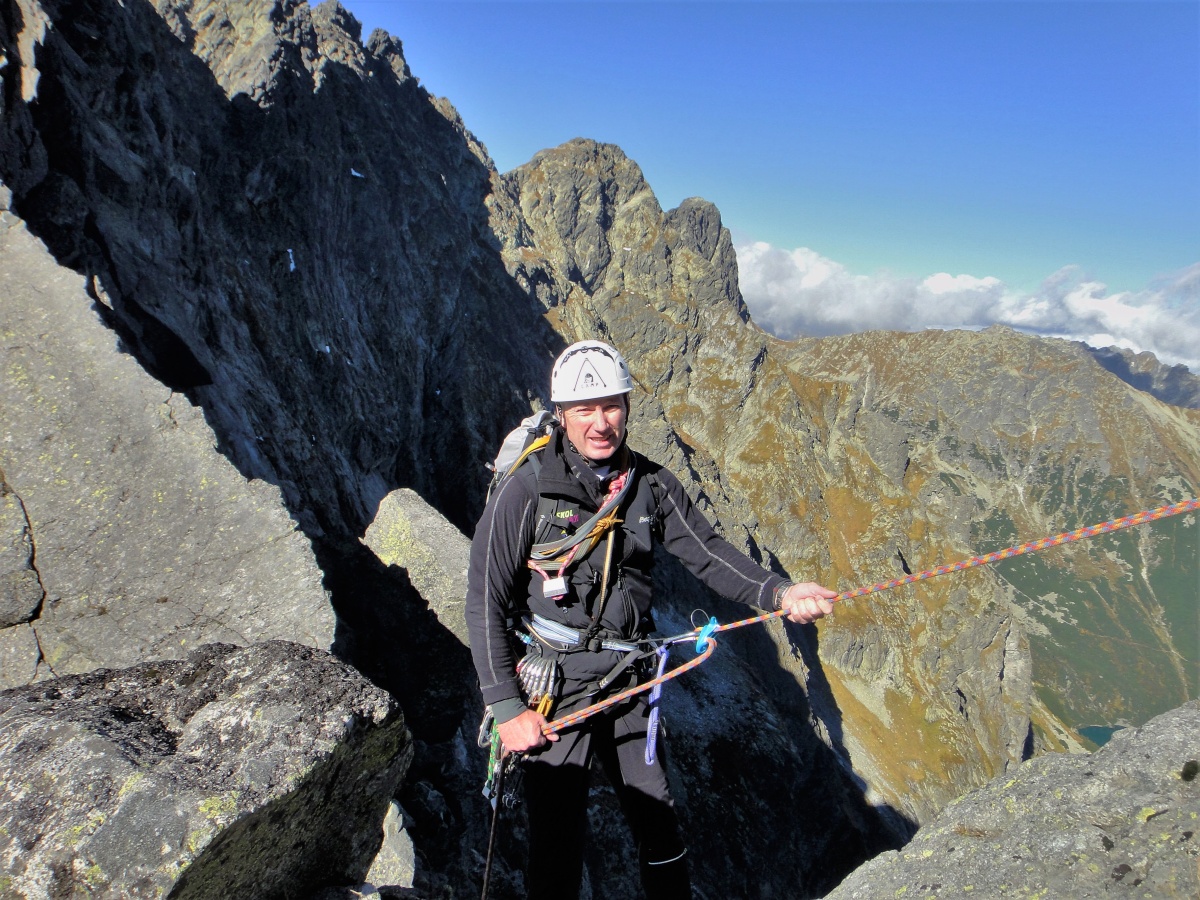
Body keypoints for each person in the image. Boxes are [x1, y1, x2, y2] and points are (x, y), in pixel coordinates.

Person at [465, 339, 836, 899]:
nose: (600, 423)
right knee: (557, 844)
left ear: (627, 408)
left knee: (660, 829)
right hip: (554, 691)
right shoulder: (527, 490)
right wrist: (508, 710)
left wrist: (780, 592)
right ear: (562, 414)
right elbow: (484, 600)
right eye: (584, 410)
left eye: (611, 406)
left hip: (627, 683)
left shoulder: (651, 484)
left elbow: (707, 553)